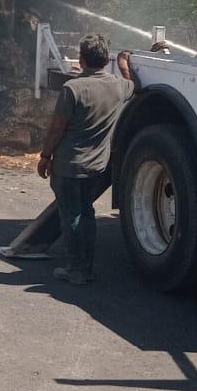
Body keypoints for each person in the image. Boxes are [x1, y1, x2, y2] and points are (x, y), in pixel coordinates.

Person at [35, 34, 139, 285]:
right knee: (87, 213)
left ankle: (76, 270)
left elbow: (57, 129)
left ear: (81, 61)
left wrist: (45, 156)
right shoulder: (117, 87)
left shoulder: (73, 89)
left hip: (69, 166)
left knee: (70, 216)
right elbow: (133, 84)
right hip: (96, 167)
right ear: (105, 60)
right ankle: (86, 267)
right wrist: (124, 63)